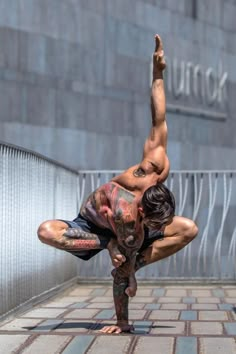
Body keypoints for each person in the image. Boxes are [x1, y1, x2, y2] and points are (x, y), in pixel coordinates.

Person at [37, 34, 198, 334]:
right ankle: (108, 243)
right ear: (140, 213)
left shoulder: (155, 167)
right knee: (46, 232)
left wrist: (158, 72)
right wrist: (123, 314)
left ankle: (130, 258)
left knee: (188, 228)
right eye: (150, 223)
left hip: (127, 231)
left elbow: (158, 119)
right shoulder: (127, 214)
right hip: (95, 227)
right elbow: (119, 274)